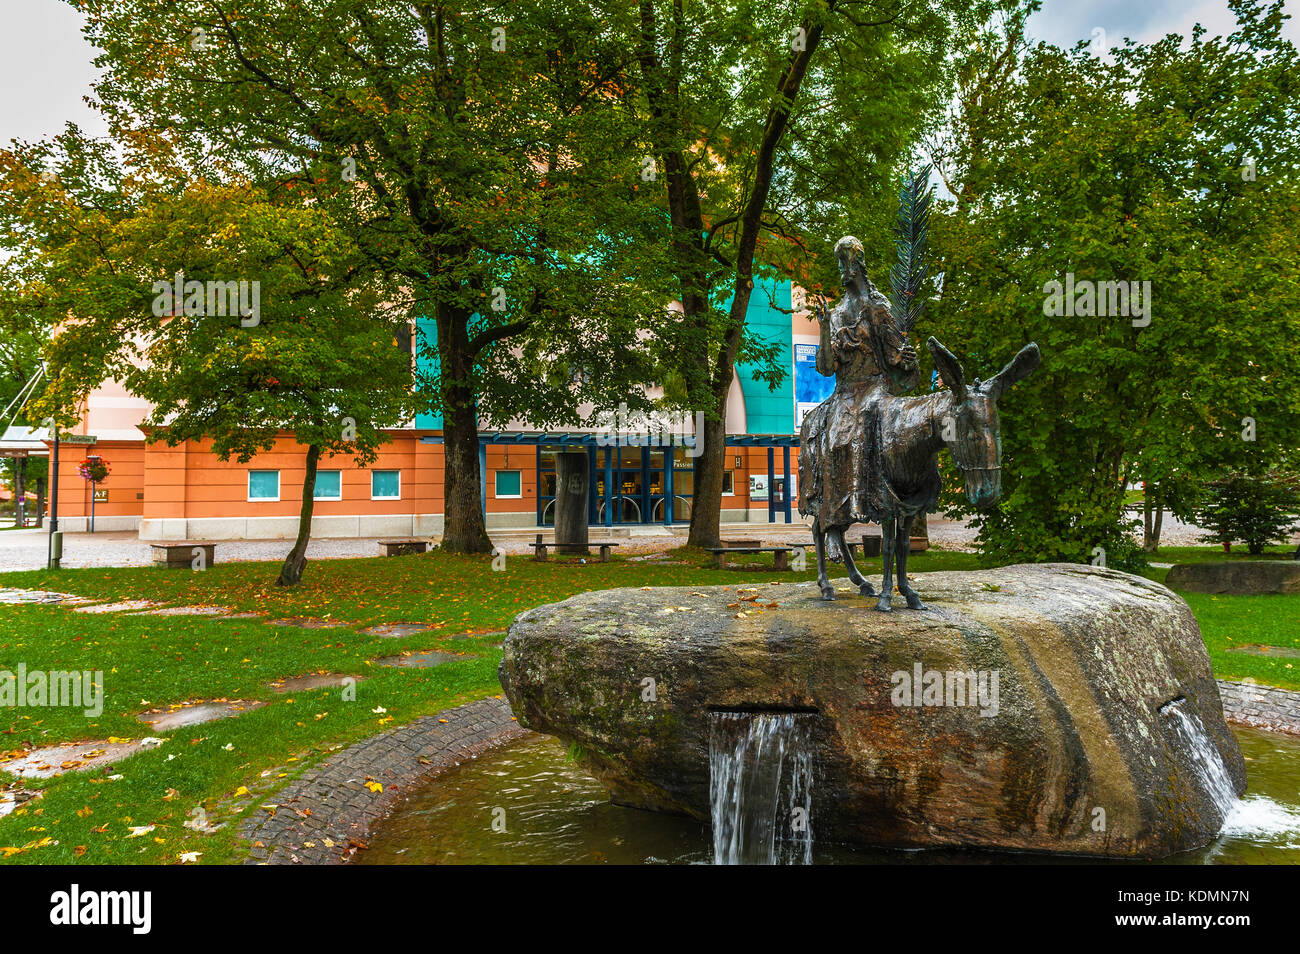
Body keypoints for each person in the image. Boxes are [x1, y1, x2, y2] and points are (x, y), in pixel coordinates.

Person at [799, 236, 920, 540]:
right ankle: (831, 520)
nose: (841, 268)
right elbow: (826, 368)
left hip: (875, 388)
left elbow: (896, 357)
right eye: (838, 261)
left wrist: (906, 360)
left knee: (868, 421)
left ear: (859, 263)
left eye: (845, 260)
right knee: (830, 436)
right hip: (845, 392)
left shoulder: (879, 308)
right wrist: (825, 327)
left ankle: (884, 496)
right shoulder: (837, 314)